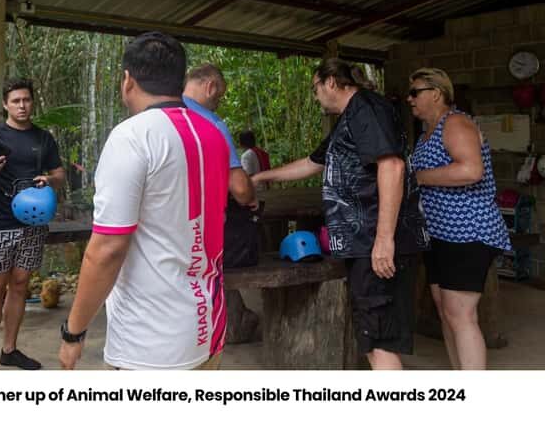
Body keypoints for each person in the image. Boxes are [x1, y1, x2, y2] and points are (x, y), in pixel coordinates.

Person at [58, 32, 231, 370]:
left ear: (127, 80)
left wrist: (73, 331)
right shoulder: (213, 134)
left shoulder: (133, 137)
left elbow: (107, 249)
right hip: (209, 326)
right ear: (179, 81)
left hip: (152, 346)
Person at [252, 59, 429, 370]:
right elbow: (312, 163)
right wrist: (261, 178)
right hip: (364, 242)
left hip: (376, 240)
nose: (315, 96)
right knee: (372, 334)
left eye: (315, 88)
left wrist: (384, 240)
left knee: (378, 340)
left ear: (331, 82)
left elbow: (392, 166)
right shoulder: (350, 118)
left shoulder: (366, 109)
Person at [407, 67, 511, 370]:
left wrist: (417, 177)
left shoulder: (455, 123)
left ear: (436, 93)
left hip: (468, 232)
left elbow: (470, 170)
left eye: (415, 92)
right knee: (446, 311)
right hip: (441, 233)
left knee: (460, 314)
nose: (409, 99)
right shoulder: (429, 131)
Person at [0, 78, 65, 370]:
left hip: (32, 223)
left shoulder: (43, 138)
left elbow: (59, 173)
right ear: (6, 104)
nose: (22, 106)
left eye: (27, 100)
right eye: (16, 101)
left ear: (32, 102)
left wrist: (50, 179)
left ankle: (10, 349)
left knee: (20, 285)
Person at [182, 64, 256, 207]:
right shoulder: (212, 123)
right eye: (218, 98)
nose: (217, 105)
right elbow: (240, 190)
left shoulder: (160, 114)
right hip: (200, 217)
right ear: (210, 87)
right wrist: (251, 195)